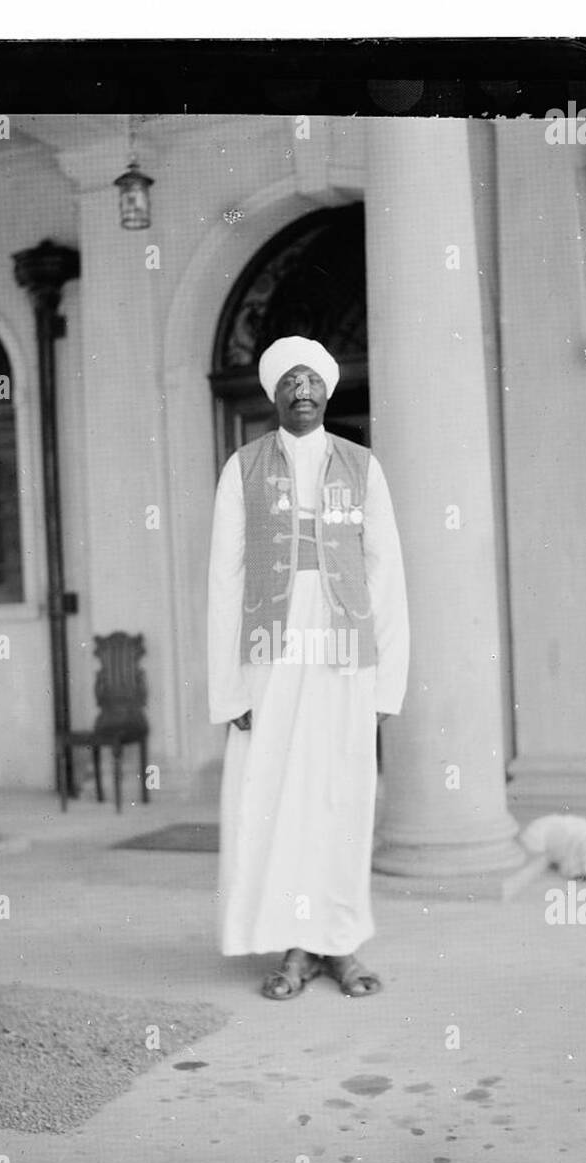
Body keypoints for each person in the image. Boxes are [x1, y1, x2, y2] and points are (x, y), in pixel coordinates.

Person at [208, 336, 409, 999]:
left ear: (327, 391)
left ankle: (341, 943)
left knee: (341, 794)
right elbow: (223, 580)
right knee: (279, 798)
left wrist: (387, 677)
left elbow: (385, 576)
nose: (300, 388)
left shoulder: (360, 466)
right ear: (272, 394)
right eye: (287, 379)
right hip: (271, 655)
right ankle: (297, 946)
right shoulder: (242, 468)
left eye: (311, 379)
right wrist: (230, 686)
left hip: (344, 654)